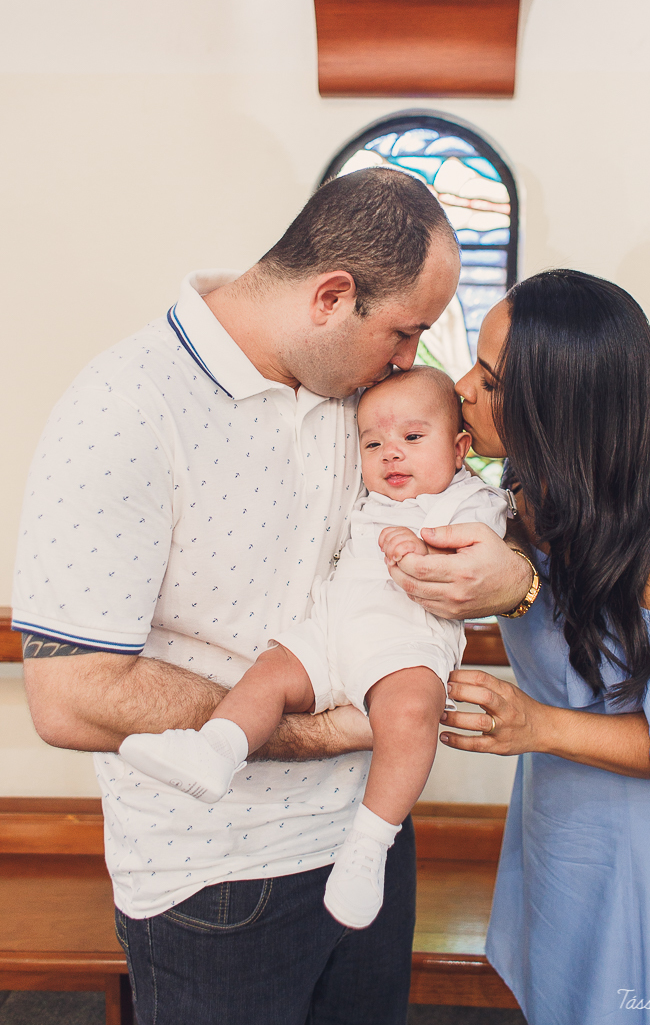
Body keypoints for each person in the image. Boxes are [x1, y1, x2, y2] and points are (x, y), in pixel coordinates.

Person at [14, 166, 533, 1025]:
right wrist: (323, 733)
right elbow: (68, 700)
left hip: (371, 839)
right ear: (331, 296)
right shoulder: (123, 410)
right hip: (215, 880)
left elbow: (471, 511)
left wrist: (518, 581)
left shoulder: (365, 398)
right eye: (405, 333)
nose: (411, 362)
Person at [396, 269, 650, 1024]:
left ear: (559, 405)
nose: (465, 390)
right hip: (564, 820)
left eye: (490, 379)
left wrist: (533, 724)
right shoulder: (525, 499)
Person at [119, 365, 510, 929]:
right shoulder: (368, 496)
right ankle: (216, 750)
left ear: (460, 449)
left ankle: (369, 844)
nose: (391, 455)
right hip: (330, 629)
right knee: (271, 672)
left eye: (412, 439)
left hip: (405, 642)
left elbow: (478, 570)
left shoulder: (471, 502)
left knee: (409, 714)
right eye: (374, 443)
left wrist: (420, 553)